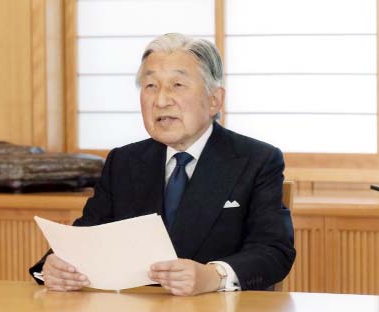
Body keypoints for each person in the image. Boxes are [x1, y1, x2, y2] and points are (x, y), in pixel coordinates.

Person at [29, 33, 295, 296]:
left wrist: (214, 276)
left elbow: (274, 250)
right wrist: (53, 267)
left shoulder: (257, 160)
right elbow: (86, 235)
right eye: (150, 86)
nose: (161, 100)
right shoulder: (124, 161)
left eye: (177, 85)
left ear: (215, 100)